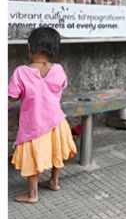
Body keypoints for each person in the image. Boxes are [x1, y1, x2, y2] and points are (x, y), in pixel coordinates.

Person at [8, 27, 78, 203]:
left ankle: (32, 194)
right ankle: (54, 182)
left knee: (32, 159)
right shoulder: (59, 70)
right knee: (56, 152)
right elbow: (62, 86)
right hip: (56, 121)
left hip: (34, 126)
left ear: (29, 48)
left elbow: (12, 96)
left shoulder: (21, 72)